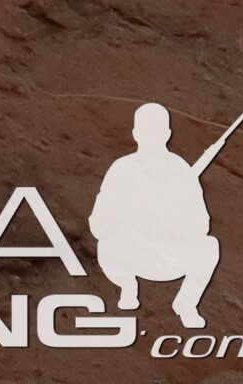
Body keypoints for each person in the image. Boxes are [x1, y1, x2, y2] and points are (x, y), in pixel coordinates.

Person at [90, 102, 222, 327]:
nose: (151, 136)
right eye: (147, 130)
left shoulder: (181, 171)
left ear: (167, 134)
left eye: (156, 130)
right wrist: (129, 221)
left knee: (209, 246)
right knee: (105, 245)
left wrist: (173, 221)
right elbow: (99, 224)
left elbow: (202, 225)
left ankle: (186, 304)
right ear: (135, 134)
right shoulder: (122, 169)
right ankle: (128, 287)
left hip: (169, 257)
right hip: (130, 255)